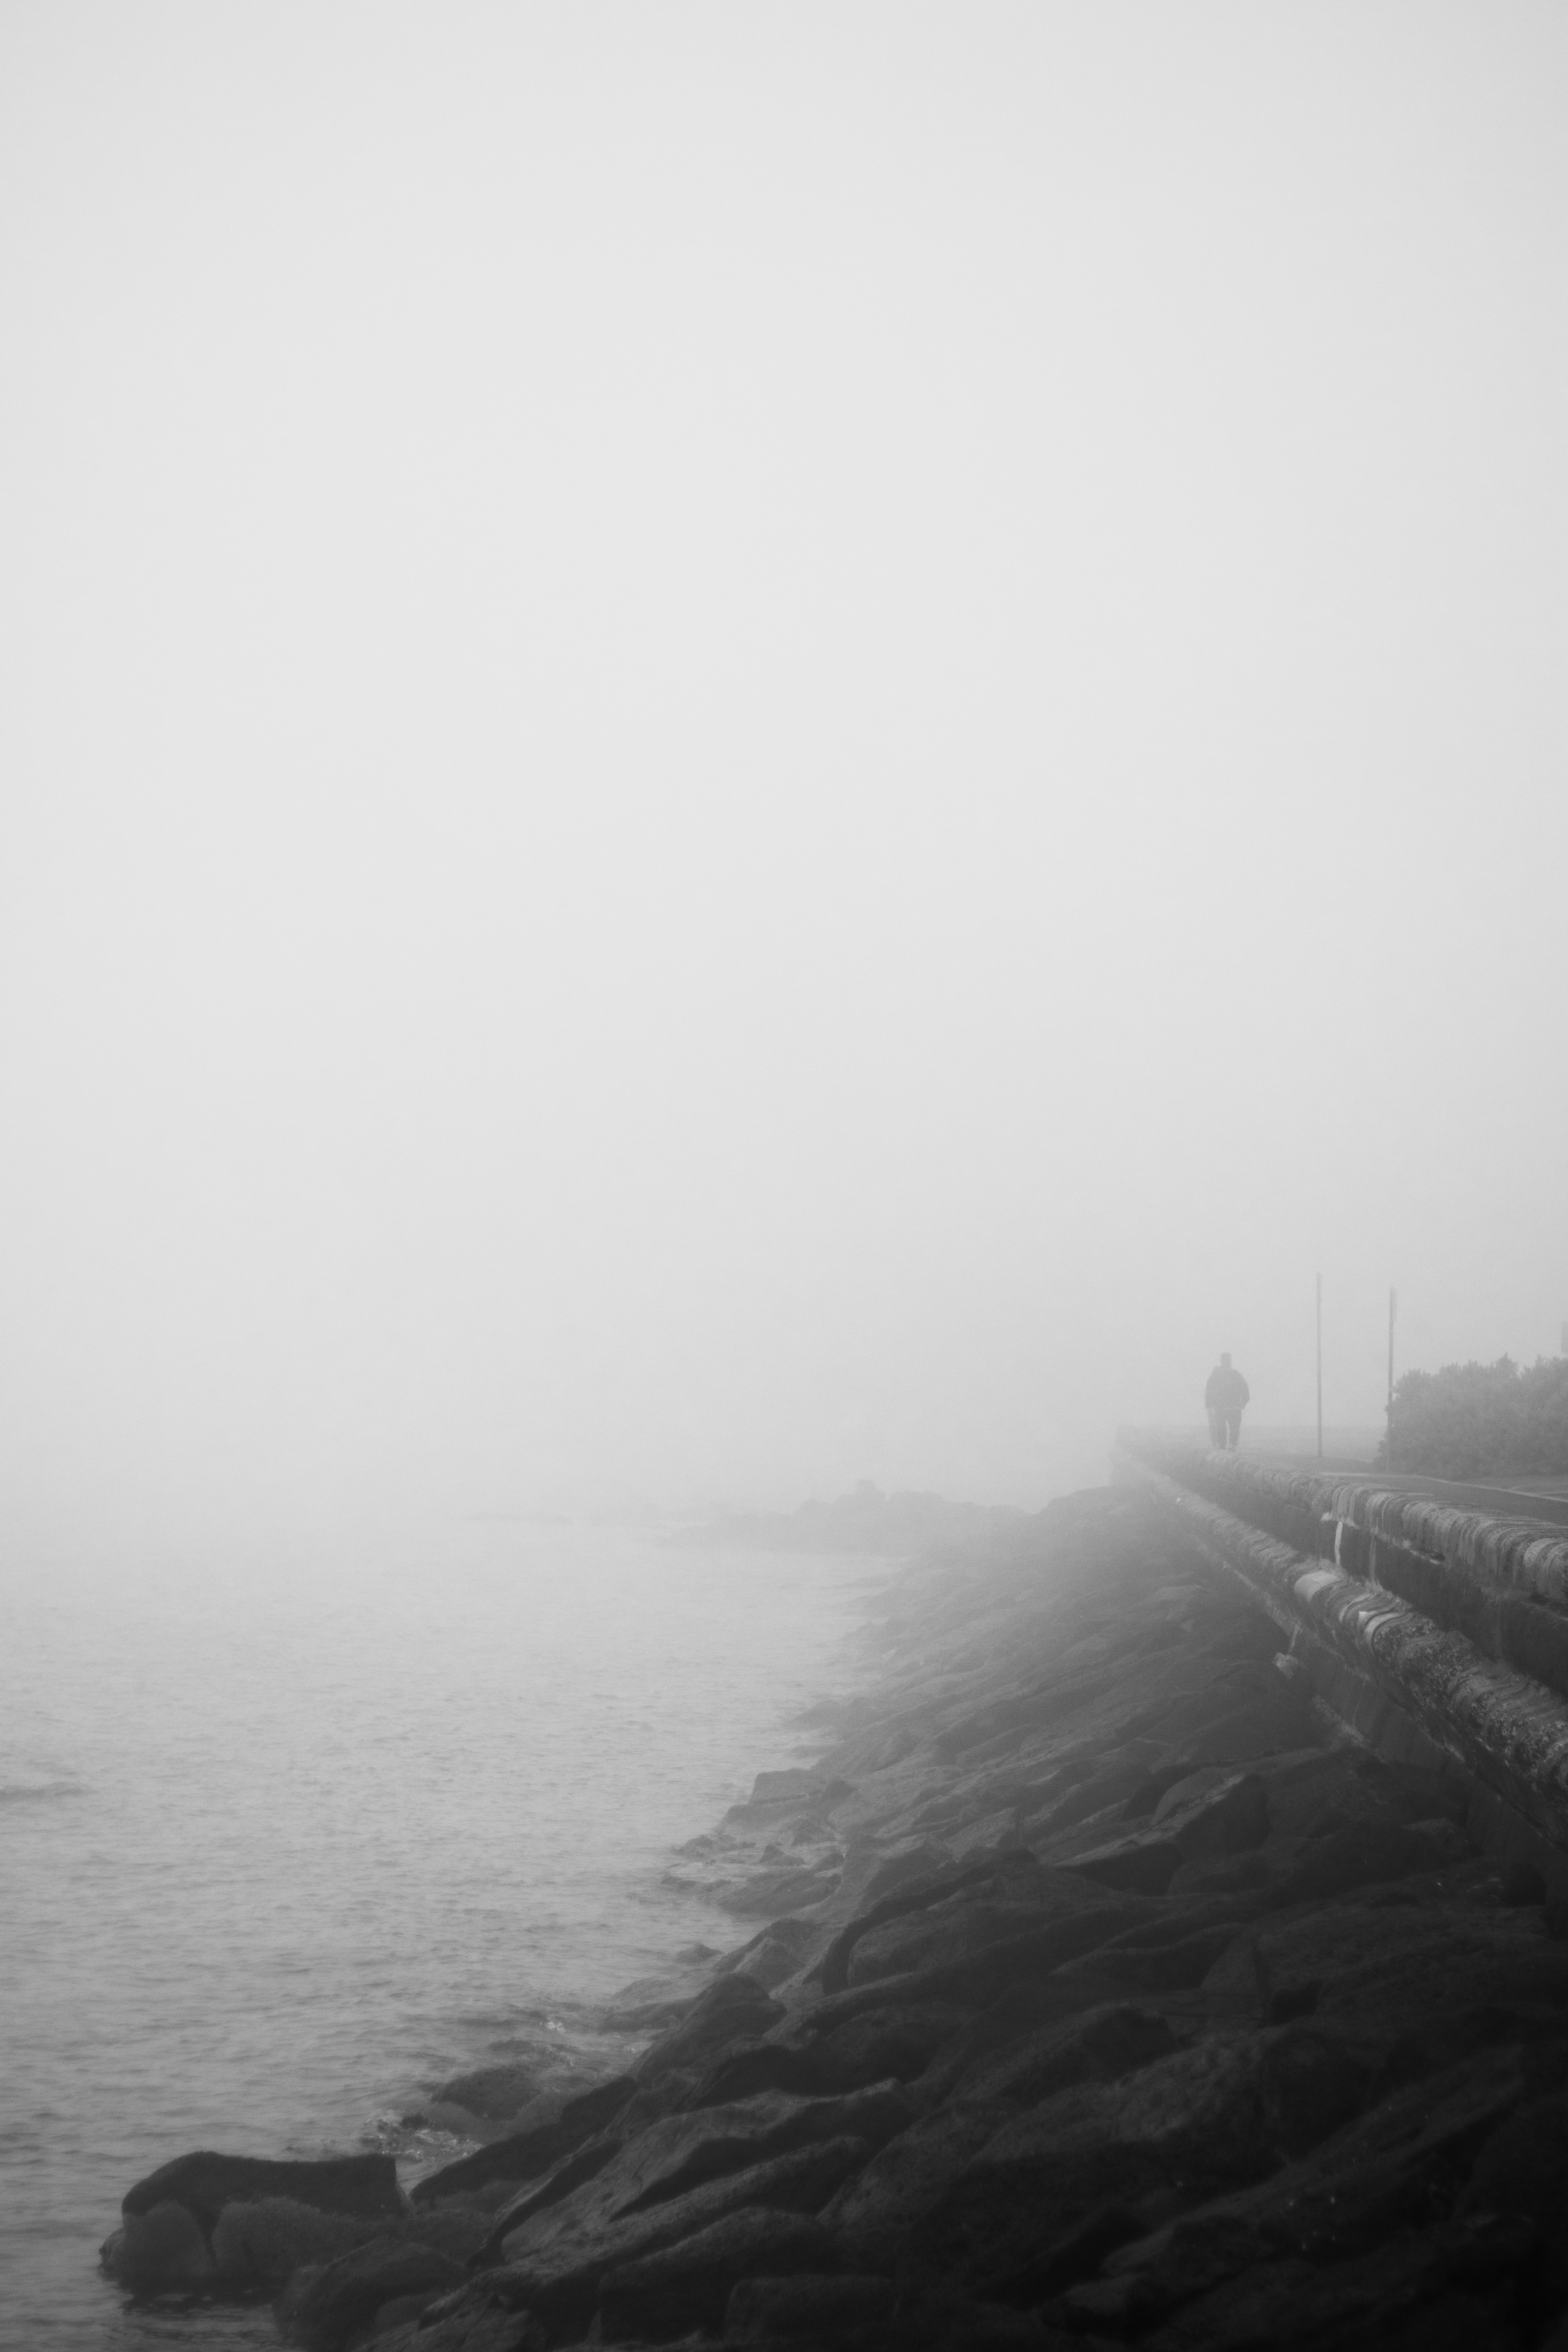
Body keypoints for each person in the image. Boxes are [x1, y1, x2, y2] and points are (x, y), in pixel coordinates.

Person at [1205, 1352, 1250, 1450]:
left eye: (1228, 1360)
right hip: (1220, 1408)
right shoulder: (1215, 1376)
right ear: (1222, 1361)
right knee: (1221, 1430)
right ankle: (1222, 1449)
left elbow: (1245, 1390)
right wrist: (1209, 1406)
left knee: (1234, 1430)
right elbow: (1209, 1392)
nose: (1227, 1362)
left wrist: (1242, 1404)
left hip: (1234, 1408)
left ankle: (1232, 1448)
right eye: (1225, 1360)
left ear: (1230, 1361)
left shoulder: (1236, 1375)